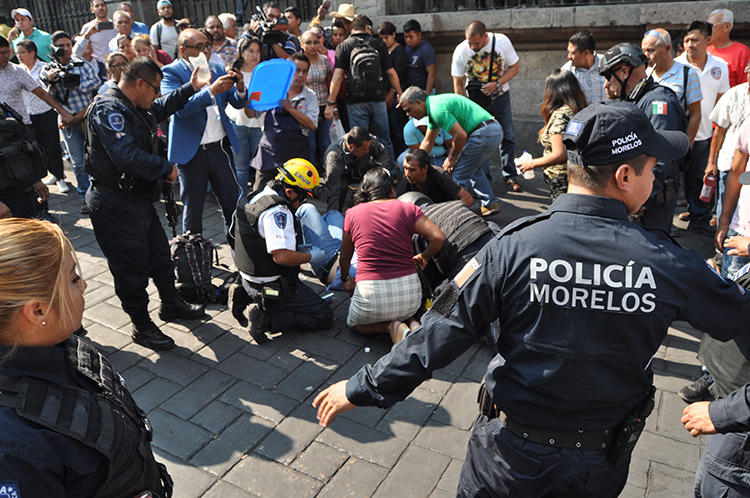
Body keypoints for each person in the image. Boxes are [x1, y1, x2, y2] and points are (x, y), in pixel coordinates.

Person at [312, 101, 750, 497]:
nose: (655, 180)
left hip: (506, 460)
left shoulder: (510, 247)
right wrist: (730, 410)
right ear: (623, 176)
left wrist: (361, 386)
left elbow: (438, 334)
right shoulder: (670, 263)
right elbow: (740, 318)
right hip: (595, 468)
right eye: (652, 169)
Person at [0, 218, 173, 496]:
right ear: (38, 311)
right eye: (72, 279)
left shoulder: (63, 345)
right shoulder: (14, 444)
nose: (84, 286)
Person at [85, 57, 207, 350]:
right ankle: (141, 325)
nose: (156, 95)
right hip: (114, 203)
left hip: (138, 200)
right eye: (154, 89)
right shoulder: (109, 109)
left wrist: (190, 87)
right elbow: (125, 155)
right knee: (131, 269)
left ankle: (171, 303)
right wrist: (165, 168)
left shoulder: (135, 105)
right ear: (139, 84)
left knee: (159, 257)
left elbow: (161, 107)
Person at [161, 28, 247, 245]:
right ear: (182, 50)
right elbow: (179, 109)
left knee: (232, 204)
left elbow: (237, 102)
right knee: (194, 209)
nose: (205, 51)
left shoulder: (217, 68)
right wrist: (210, 92)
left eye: (207, 45)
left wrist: (240, 87)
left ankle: (243, 259)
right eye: (198, 47)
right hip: (192, 153)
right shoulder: (171, 73)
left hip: (219, 148)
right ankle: (194, 263)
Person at [339, 167, 444, 342]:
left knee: (355, 324)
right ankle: (411, 323)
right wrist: (425, 256)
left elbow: (345, 256)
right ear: (391, 190)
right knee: (406, 312)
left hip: (370, 298)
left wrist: (345, 279)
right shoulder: (407, 208)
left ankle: (390, 327)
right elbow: (438, 237)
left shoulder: (353, 213)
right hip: (410, 299)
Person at [234, 159, 334, 343]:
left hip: (247, 274)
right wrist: (310, 256)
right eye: (303, 197)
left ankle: (245, 291)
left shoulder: (258, 195)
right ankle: (265, 318)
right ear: (289, 192)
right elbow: (281, 257)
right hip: (270, 284)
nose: (303, 202)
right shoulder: (278, 212)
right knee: (323, 314)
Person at [600, 43, 687, 236]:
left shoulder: (658, 102)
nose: (606, 84)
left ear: (624, 71)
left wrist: (639, 199)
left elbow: (661, 156)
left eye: (608, 77)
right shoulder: (638, 100)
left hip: (652, 200)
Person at [398, 86, 503, 216]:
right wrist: (417, 161)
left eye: (409, 110)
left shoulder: (437, 110)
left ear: (419, 102)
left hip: (483, 132)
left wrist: (451, 159)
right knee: (473, 169)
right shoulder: (434, 107)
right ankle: (489, 203)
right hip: (491, 130)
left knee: (457, 176)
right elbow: (428, 141)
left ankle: (460, 218)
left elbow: (460, 135)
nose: (408, 115)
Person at [451, 20, 520, 193]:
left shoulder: (502, 42)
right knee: (479, 139)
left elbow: (515, 67)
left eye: (477, 43)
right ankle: (484, 181)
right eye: (470, 42)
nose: (473, 46)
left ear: (485, 36)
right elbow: (458, 83)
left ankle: (510, 175)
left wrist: (497, 83)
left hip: (500, 95)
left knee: (507, 135)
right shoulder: (460, 51)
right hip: (474, 101)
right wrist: (464, 110)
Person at [675, 21, 730, 234]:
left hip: (706, 134)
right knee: (673, 180)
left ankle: (699, 222)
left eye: (695, 40)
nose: (690, 44)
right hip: (678, 134)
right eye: (687, 40)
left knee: (700, 180)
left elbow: (721, 103)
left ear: (708, 41)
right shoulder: (676, 66)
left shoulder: (720, 67)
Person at [325, 15, 402, 163]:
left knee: (360, 141)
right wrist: (400, 93)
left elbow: (338, 76)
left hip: (356, 101)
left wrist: (330, 102)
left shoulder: (344, 46)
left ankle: (364, 174)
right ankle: (389, 172)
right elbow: (390, 72)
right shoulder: (378, 44)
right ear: (367, 28)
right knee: (384, 139)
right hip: (378, 100)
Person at [43, 31, 102, 214]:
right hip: (67, 122)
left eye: (69, 45)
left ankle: (101, 193)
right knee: (77, 162)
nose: (66, 49)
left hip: (87, 117)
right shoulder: (48, 69)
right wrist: (53, 80)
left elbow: (96, 83)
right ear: (54, 48)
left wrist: (76, 83)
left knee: (96, 157)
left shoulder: (81, 63)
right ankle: (85, 196)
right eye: (61, 46)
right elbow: (46, 95)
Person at [251, 52, 318, 191]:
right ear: (289, 70)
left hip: (296, 155)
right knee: (258, 195)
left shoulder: (309, 96)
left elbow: (312, 124)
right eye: (297, 70)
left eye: (304, 71)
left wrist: (290, 109)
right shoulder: (273, 90)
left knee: (294, 197)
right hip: (269, 152)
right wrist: (249, 98)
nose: (301, 75)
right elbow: (251, 113)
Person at [517, 69, 587, 200]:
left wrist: (531, 164)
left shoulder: (561, 115)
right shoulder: (578, 110)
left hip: (561, 180)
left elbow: (559, 154)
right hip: (575, 175)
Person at [14, 39, 71, 194]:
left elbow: (48, 87)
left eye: (22, 52)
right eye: (17, 52)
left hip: (46, 112)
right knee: (39, 148)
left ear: (32, 53)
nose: (19, 55)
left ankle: (60, 177)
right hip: (28, 114)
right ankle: (51, 173)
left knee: (52, 146)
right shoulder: (18, 70)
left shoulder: (44, 67)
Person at [705, 60, 750, 223]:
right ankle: (721, 245)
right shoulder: (734, 94)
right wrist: (711, 162)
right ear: (747, 73)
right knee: (725, 209)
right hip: (729, 163)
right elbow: (719, 130)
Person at [642, 28, 702, 145]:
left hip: (675, 143)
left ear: (667, 48)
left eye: (650, 50)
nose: (646, 56)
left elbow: (696, 113)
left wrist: (687, 144)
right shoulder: (642, 74)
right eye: (643, 51)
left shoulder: (687, 74)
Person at [226, 36, 263, 197]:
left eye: (258, 51)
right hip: (238, 123)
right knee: (241, 167)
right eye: (250, 51)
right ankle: (240, 204)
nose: (255, 55)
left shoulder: (263, 72)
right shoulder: (233, 73)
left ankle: (259, 199)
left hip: (259, 124)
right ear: (241, 53)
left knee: (261, 165)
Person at [324, 126, 391, 213]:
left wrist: (379, 172)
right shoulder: (334, 156)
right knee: (340, 189)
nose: (367, 151)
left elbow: (383, 154)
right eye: (364, 149)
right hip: (342, 177)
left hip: (363, 171)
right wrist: (333, 214)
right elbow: (333, 189)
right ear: (352, 147)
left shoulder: (368, 142)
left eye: (368, 148)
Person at [377, 21, 408, 159]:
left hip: (396, 93)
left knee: (397, 128)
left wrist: (391, 95)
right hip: (386, 93)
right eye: (381, 38)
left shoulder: (399, 51)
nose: (384, 41)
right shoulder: (384, 51)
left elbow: (398, 75)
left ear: (394, 35)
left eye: (386, 38)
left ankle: (402, 156)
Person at [301, 30, 331, 167]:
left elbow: (330, 82)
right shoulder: (299, 63)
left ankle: (328, 172)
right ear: (301, 44)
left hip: (324, 105)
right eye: (308, 42)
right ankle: (311, 175)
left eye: (315, 42)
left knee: (326, 143)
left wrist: (332, 105)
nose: (312, 46)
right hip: (306, 109)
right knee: (310, 143)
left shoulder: (324, 60)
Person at [402, 148, 473, 207]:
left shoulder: (440, 175)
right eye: (405, 168)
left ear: (425, 168)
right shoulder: (407, 178)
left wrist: (449, 211)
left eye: (412, 170)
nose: (408, 174)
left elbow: (467, 198)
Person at [561, 31, 607, 105]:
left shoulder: (608, 65)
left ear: (586, 53)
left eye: (572, 53)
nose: (568, 57)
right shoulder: (566, 72)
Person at [707, 9, 750, 88]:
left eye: (711, 26)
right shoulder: (704, 50)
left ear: (726, 27)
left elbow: (745, 87)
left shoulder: (742, 52)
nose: (707, 30)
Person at [403, 19, 436, 96]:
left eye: (411, 37)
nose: (408, 40)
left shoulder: (426, 49)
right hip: (410, 91)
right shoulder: (406, 48)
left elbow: (431, 74)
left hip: (424, 90)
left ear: (419, 35)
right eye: (406, 37)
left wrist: (426, 96)